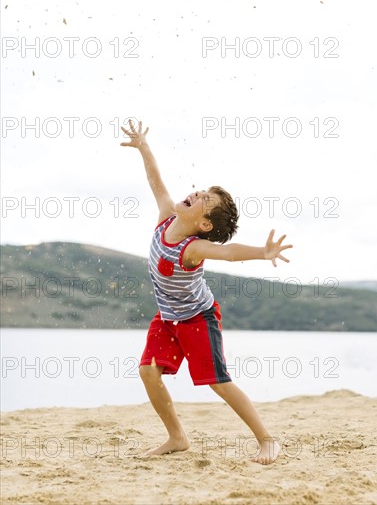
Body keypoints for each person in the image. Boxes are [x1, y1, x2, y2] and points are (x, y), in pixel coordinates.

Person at [120, 119, 293, 465]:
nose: (197, 193)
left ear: (204, 225)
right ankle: (177, 436)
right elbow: (157, 182)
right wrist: (144, 147)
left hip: (198, 318)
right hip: (168, 317)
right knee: (148, 370)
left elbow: (228, 252)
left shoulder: (193, 247)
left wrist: (262, 252)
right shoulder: (167, 216)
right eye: (201, 191)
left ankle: (267, 440)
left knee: (218, 381)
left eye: (205, 199)